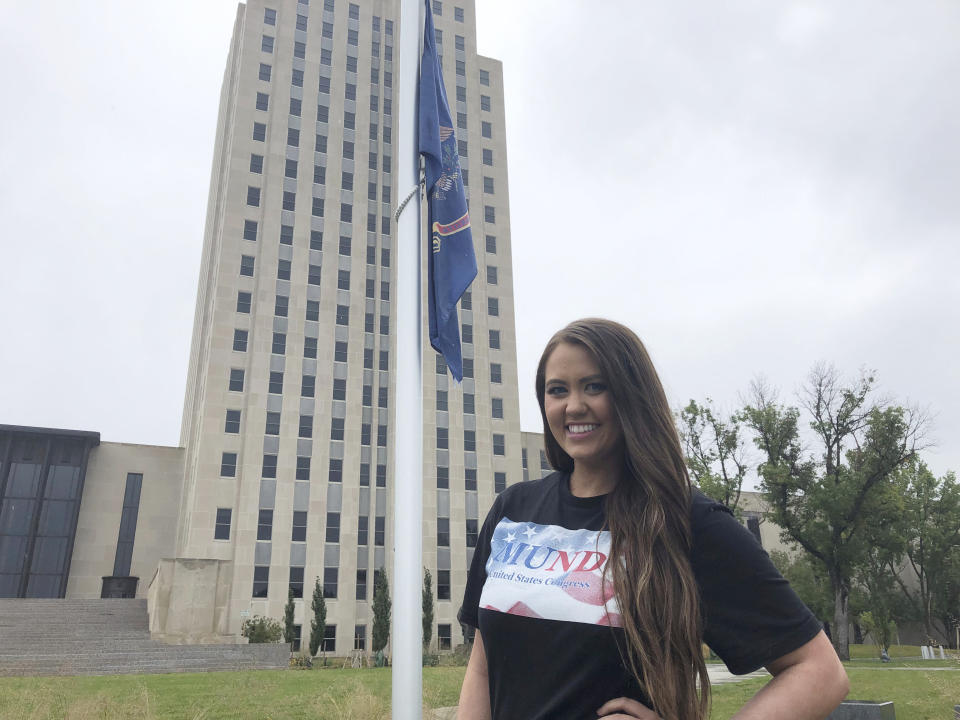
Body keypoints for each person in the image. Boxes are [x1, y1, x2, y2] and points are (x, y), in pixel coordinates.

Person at [456, 318, 849, 720]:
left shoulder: (688, 522)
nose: (574, 405)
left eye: (595, 386)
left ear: (631, 394)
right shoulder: (513, 511)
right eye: (558, 390)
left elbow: (818, 671)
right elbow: (482, 669)